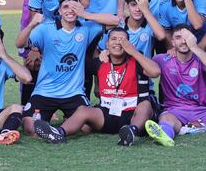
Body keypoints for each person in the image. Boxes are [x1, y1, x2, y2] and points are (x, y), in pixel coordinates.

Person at [33, 27, 161, 146]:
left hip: (132, 114)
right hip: (107, 113)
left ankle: (131, 132)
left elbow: (155, 72)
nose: (118, 42)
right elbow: (77, 61)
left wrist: (133, 51)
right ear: (107, 44)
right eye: (113, 39)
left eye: (122, 40)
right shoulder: (100, 62)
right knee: (83, 110)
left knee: (146, 105)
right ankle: (59, 133)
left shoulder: (136, 61)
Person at [16, 0, 117, 134]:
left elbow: (115, 20)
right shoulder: (45, 29)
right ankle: (57, 128)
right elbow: (19, 44)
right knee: (29, 126)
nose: (70, 10)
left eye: (74, 7)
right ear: (59, 11)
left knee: (87, 128)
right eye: (66, 7)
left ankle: (61, 128)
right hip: (45, 91)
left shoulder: (86, 28)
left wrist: (85, 14)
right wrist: (31, 25)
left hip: (73, 93)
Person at [100, 0, 167, 58]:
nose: (137, 9)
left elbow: (162, 36)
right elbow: (102, 49)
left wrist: (145, 10)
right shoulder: (117, 25)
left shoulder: (151, 25)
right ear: (127, 6)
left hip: (145, 64)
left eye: (141, 5)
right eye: (133, 5)